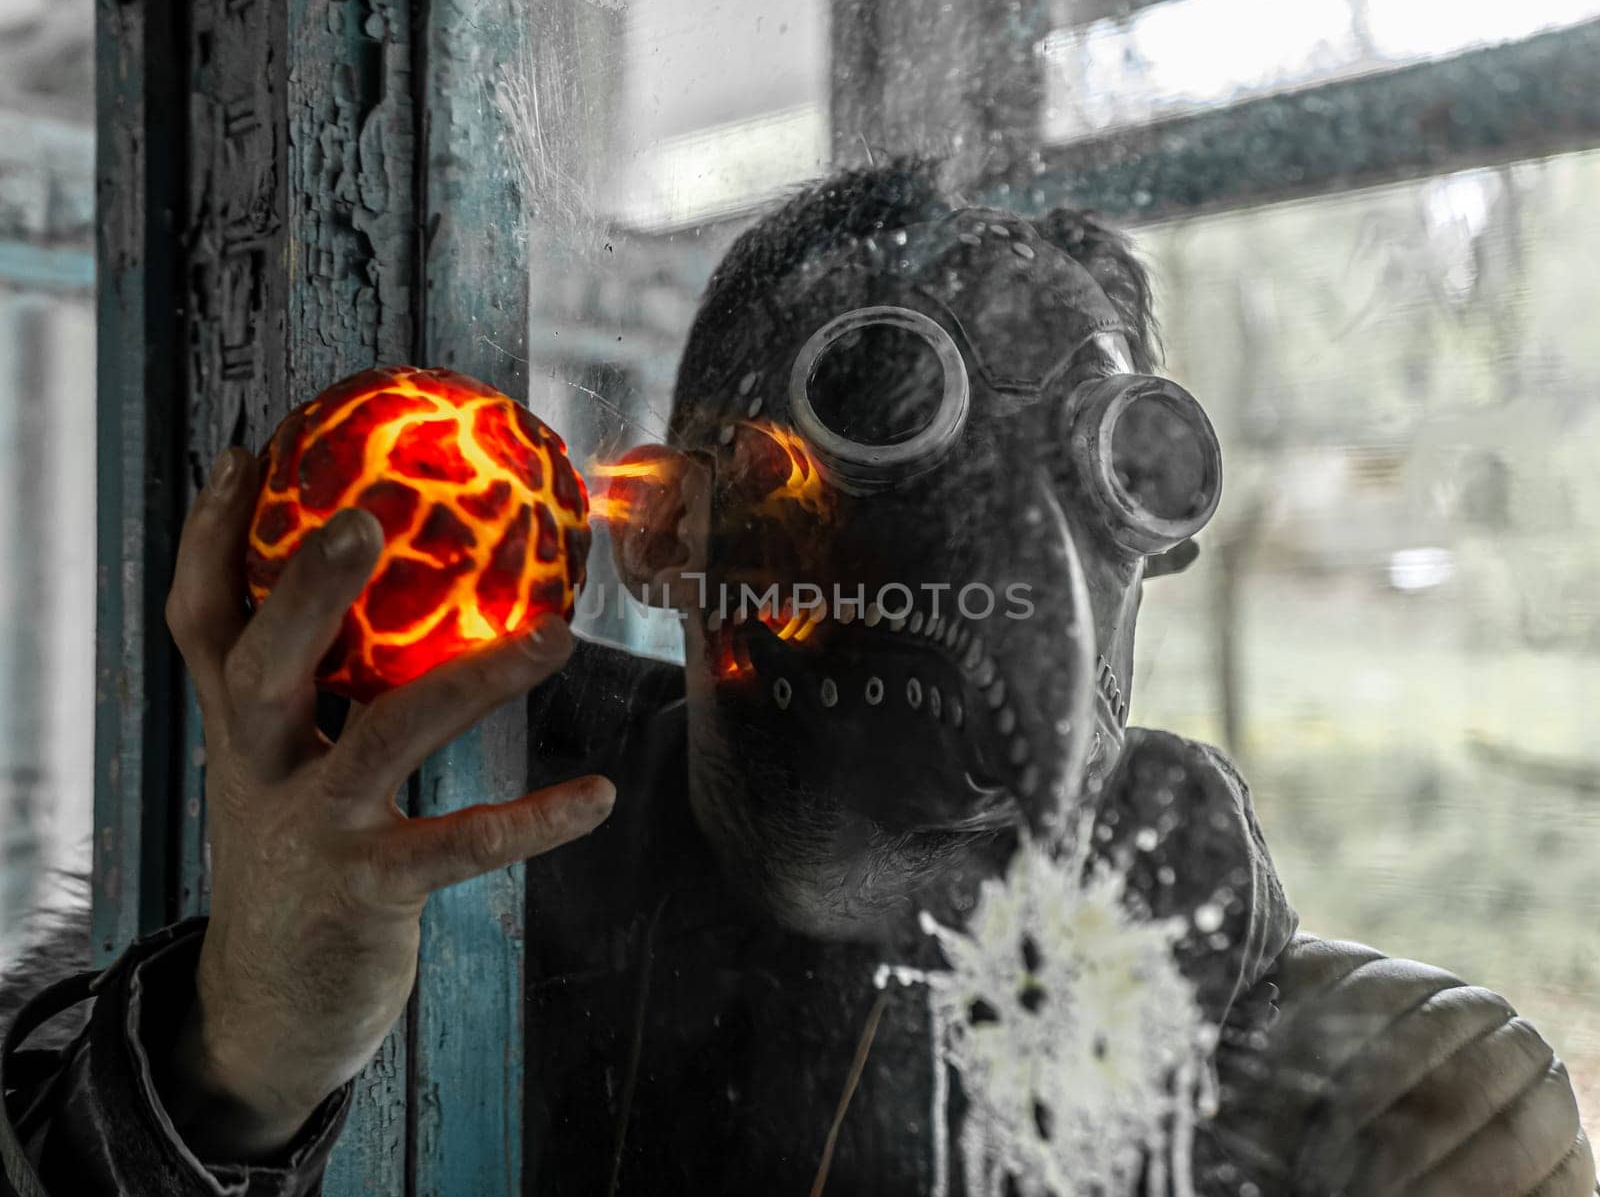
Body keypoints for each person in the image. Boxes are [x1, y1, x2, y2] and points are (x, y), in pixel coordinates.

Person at [2, 163, 1593, 1196]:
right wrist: (229, 1057)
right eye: (882, 395)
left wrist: (1368, 1079)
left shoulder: (1202, 969)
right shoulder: (432, 843)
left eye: (1118, 460)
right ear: (668, 533)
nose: (1023, 541)